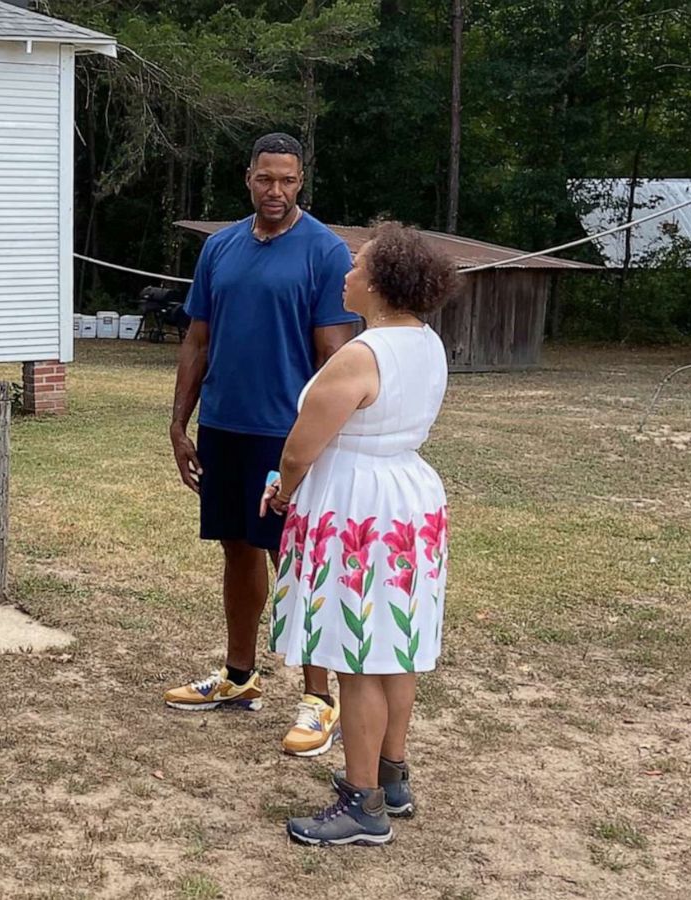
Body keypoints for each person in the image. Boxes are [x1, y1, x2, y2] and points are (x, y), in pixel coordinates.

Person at [165, 133, 358, 757]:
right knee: (237, 549)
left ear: (301, 182)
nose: (276, 191)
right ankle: (240, 676)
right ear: (248, 178)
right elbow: (198, 339)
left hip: (287, 434)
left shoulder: (325, 252)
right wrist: (180, 422)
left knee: (297, 561)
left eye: (289, 181)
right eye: (266, 179)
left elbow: (335, 357)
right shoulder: (220, 248)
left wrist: (322, 440)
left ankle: (317, 698)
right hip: (225, 425)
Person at [264, 222, 457, 846]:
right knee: (393, 644)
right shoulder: (427, 343)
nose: (346, 273)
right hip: (408, 499)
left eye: (356, 265)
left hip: (359, 507)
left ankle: (362, 803)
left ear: (376, 282)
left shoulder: (362, 354)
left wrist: (284, 489)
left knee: (356, 651)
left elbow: (302, 448)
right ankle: (391, 774)